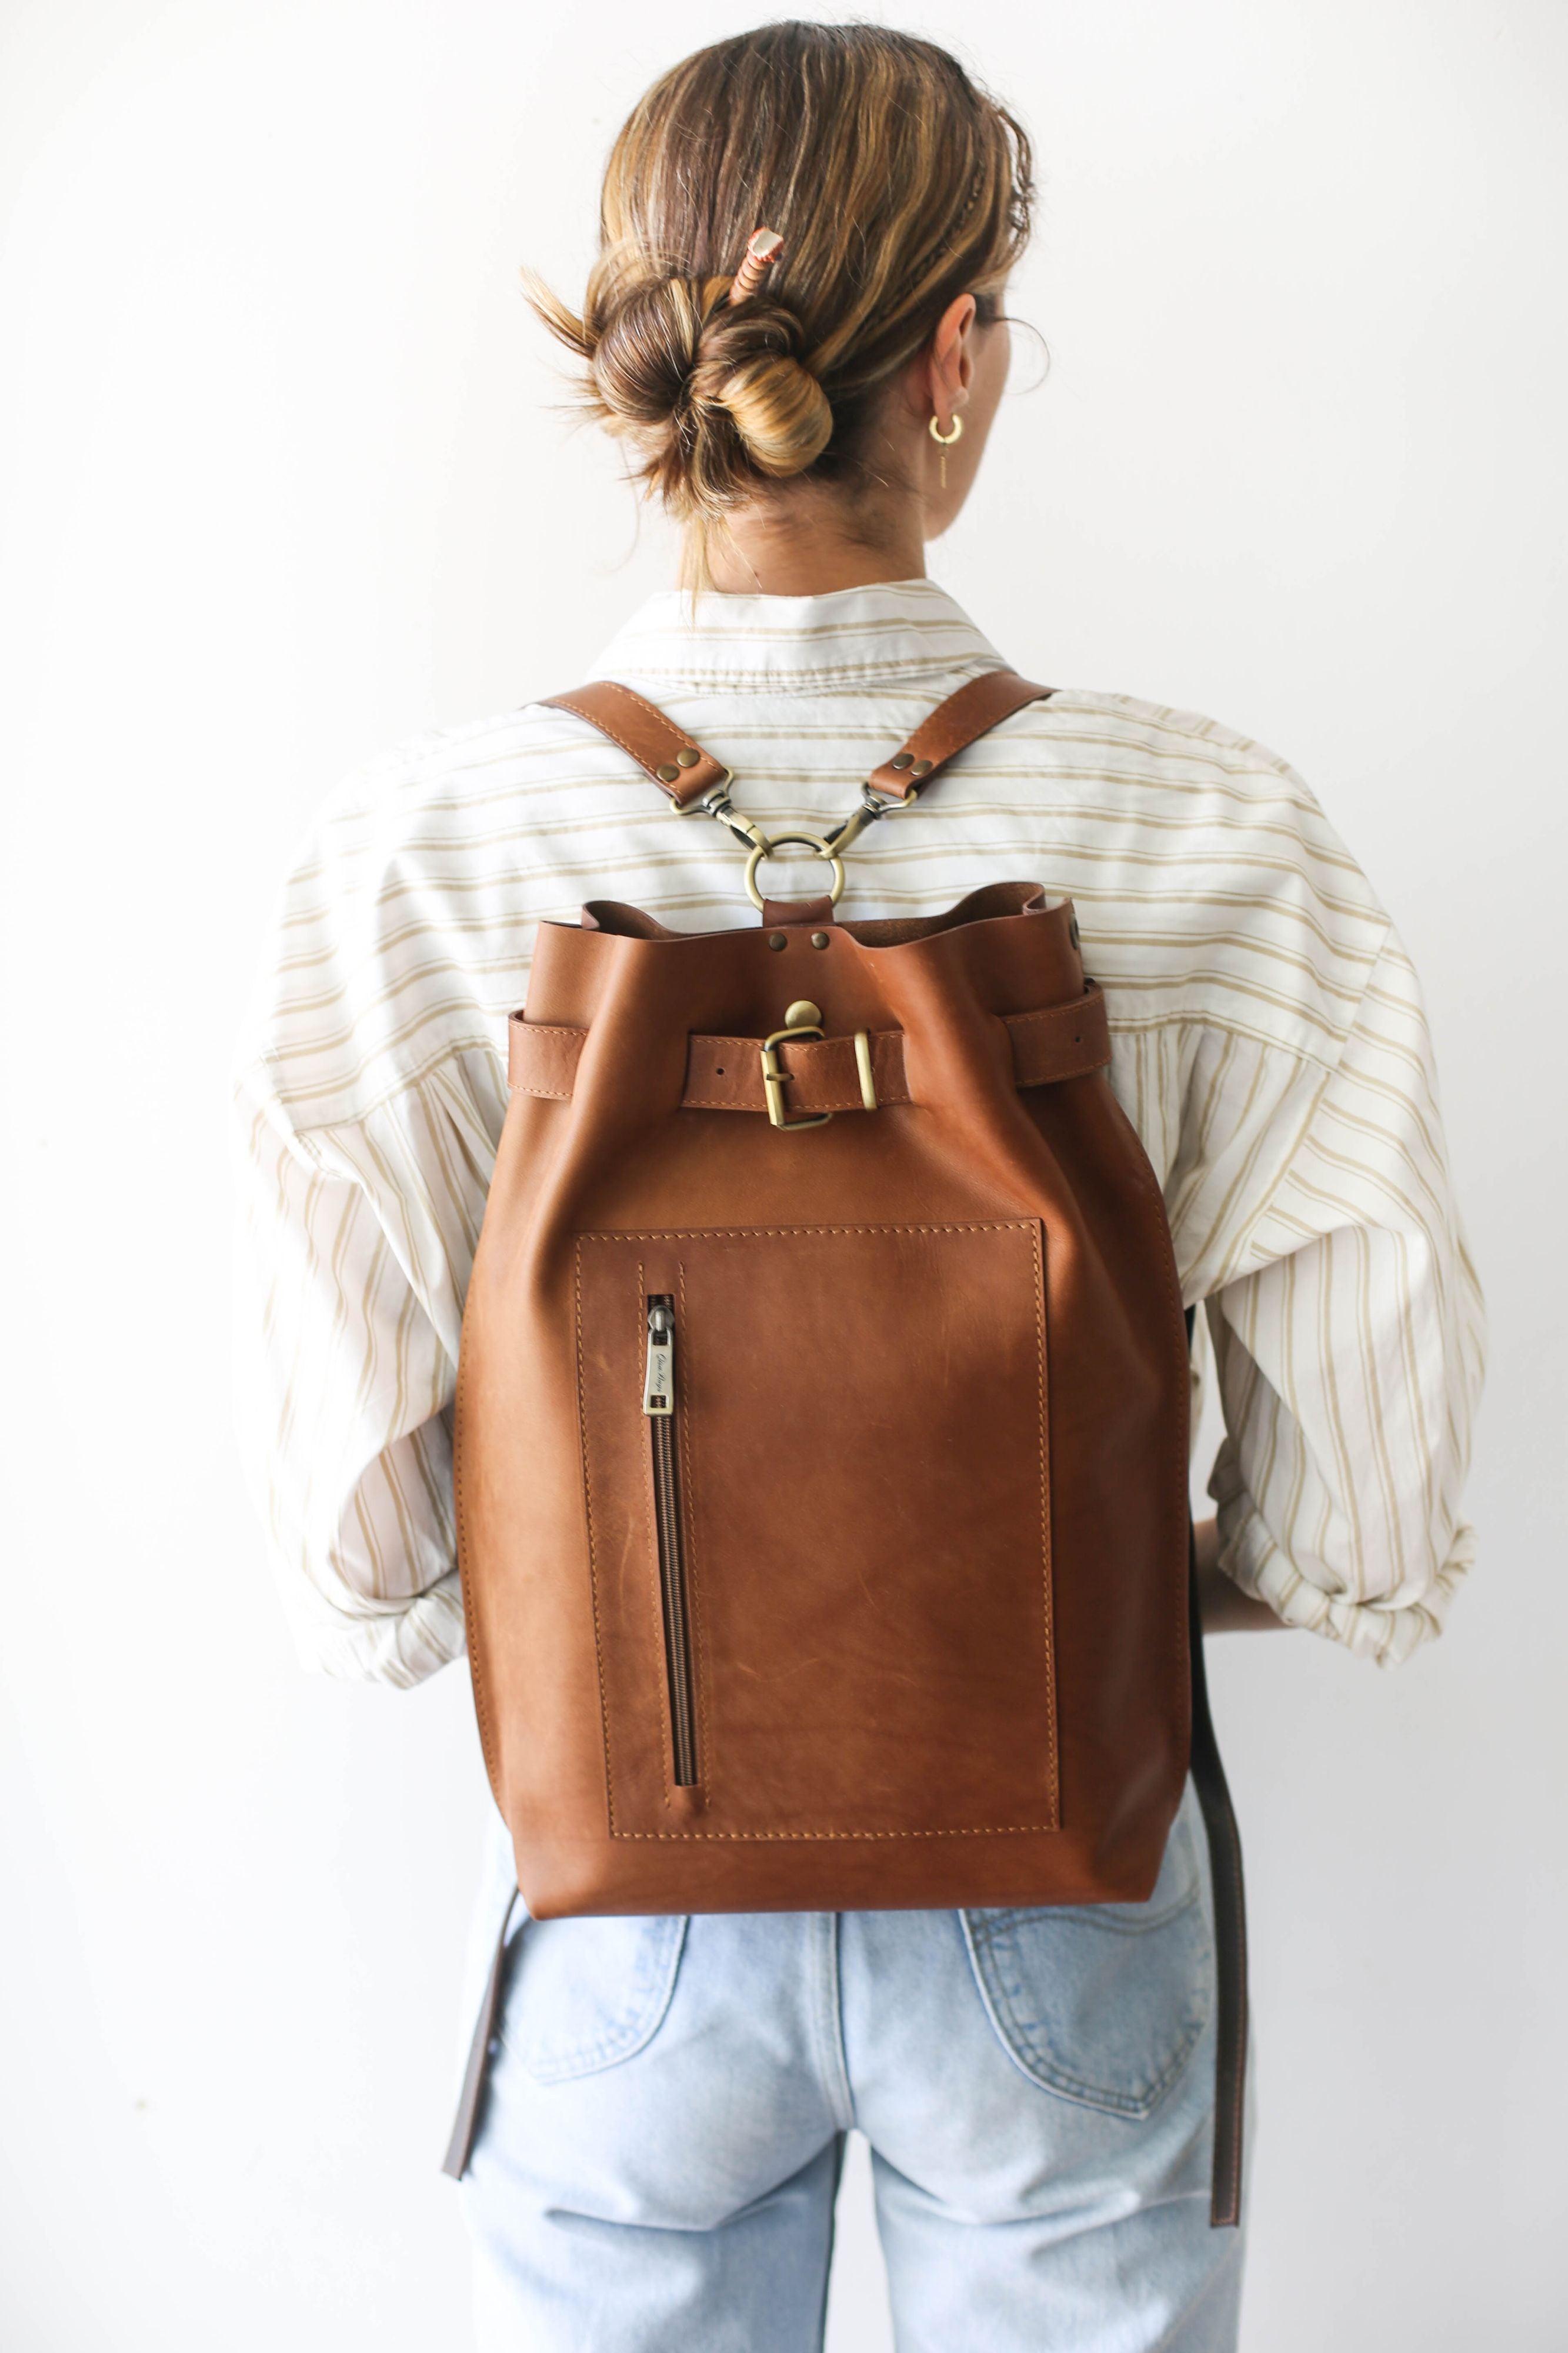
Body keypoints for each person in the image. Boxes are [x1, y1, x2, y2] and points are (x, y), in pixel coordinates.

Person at [232, 22, 1484, 2350]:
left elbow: (371, 1556)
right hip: (1061, 1881)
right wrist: (1067, 1563)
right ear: (960, 354)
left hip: (631, 1897)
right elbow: (1369, 1517)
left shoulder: (415, 851)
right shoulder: (1212, 829)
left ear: (648, 369)